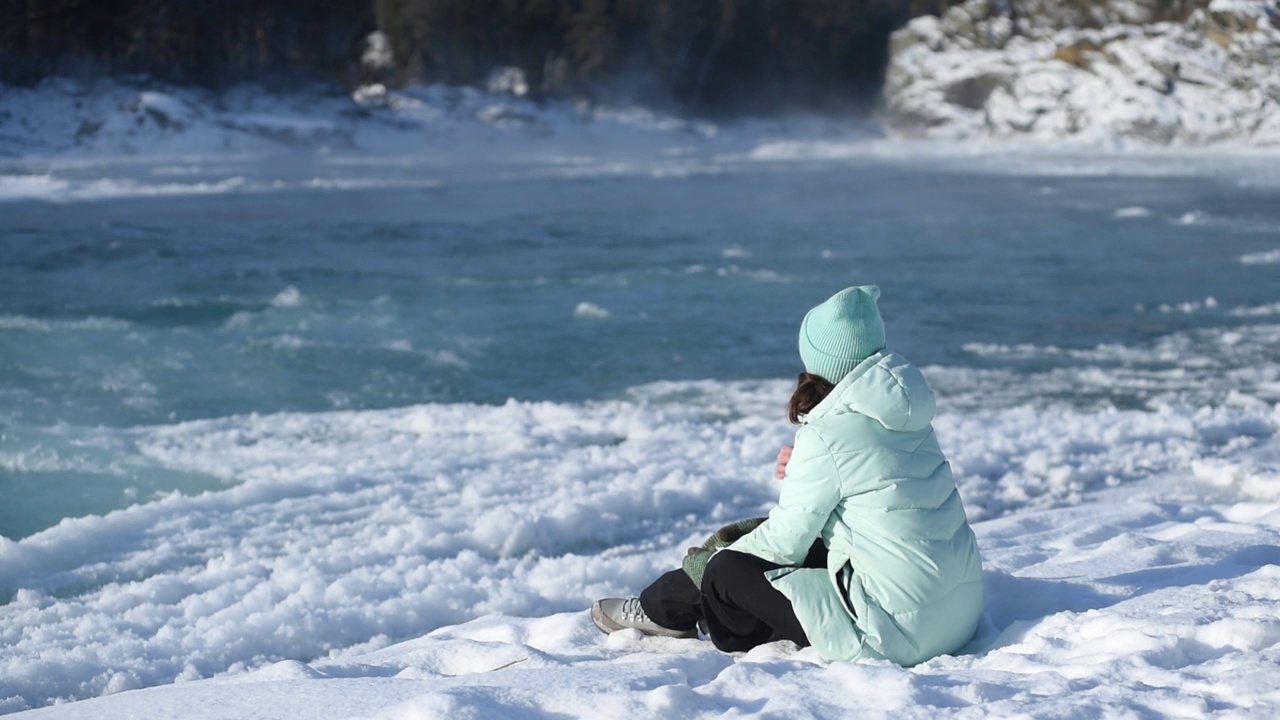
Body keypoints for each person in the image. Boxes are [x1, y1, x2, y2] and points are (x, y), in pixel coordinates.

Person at [591, 285, 984, 666]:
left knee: (725, 569)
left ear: (819, 361)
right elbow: (875, 486)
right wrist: (806, 464)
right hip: (955, 614)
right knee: (771, 544)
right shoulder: (905, 414)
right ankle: (665, 603)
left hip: (894, 632)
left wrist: (709, 564)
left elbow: (783, 545)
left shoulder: (827, 436)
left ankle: (665, 607)